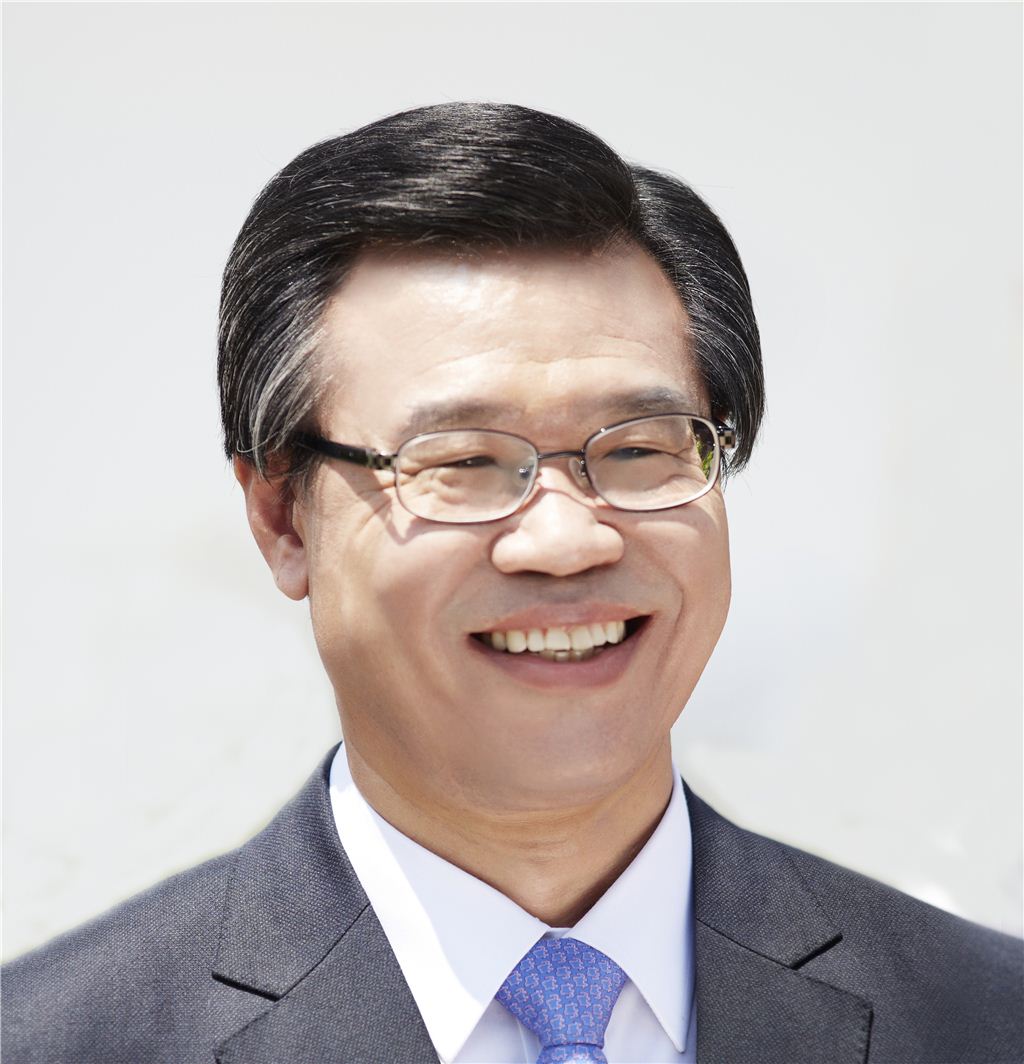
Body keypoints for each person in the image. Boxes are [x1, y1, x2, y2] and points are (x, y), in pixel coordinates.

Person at [3, 102, 1021, 1064]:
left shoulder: (981, 1016)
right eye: (462, 460)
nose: (567, 539)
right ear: (281, 517)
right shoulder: (63, 1040)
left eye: (639, 448)